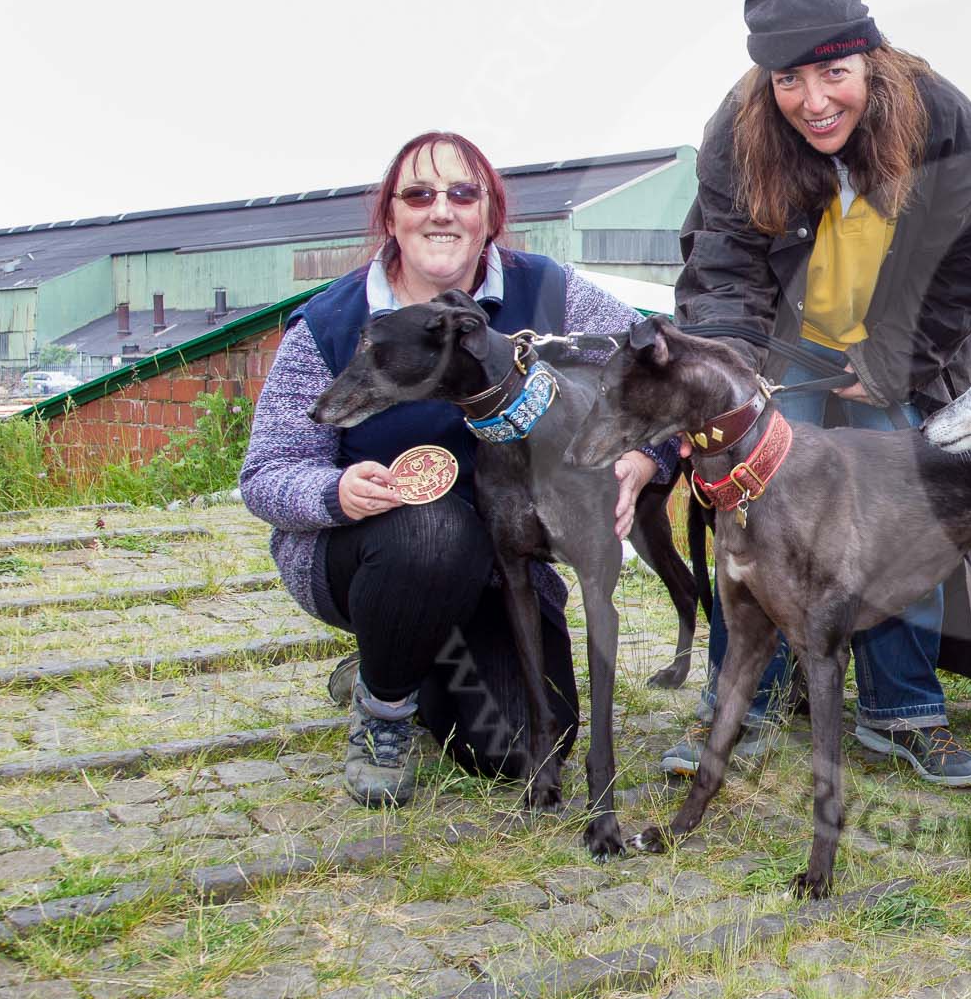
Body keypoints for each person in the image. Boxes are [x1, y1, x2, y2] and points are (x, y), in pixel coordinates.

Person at [666, 0, 971, 787]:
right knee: (755, 510)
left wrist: (898, 355)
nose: (814, 100)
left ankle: (903, 712)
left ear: (870, 58)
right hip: (784, 353)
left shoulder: (937, 119)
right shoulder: (741, 129)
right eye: (790, 79)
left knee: (900, 509)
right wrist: (729, 378)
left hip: (898, 350)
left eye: (834, 72)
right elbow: (722, 266)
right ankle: (746, 700)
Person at [240, 131, 671, 807]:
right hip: (381, 553)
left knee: (524, 746)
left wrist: (650, 453)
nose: (441, 209)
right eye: (418, 193)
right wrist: (336, 491)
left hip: (504, 571)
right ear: (391, 215)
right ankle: (383, 706)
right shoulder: (331, 322)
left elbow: (657, 357)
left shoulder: (547, 294)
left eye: (462, 193)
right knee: (435, 533)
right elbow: (266, 472)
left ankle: (404, 661)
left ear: (488, 215)